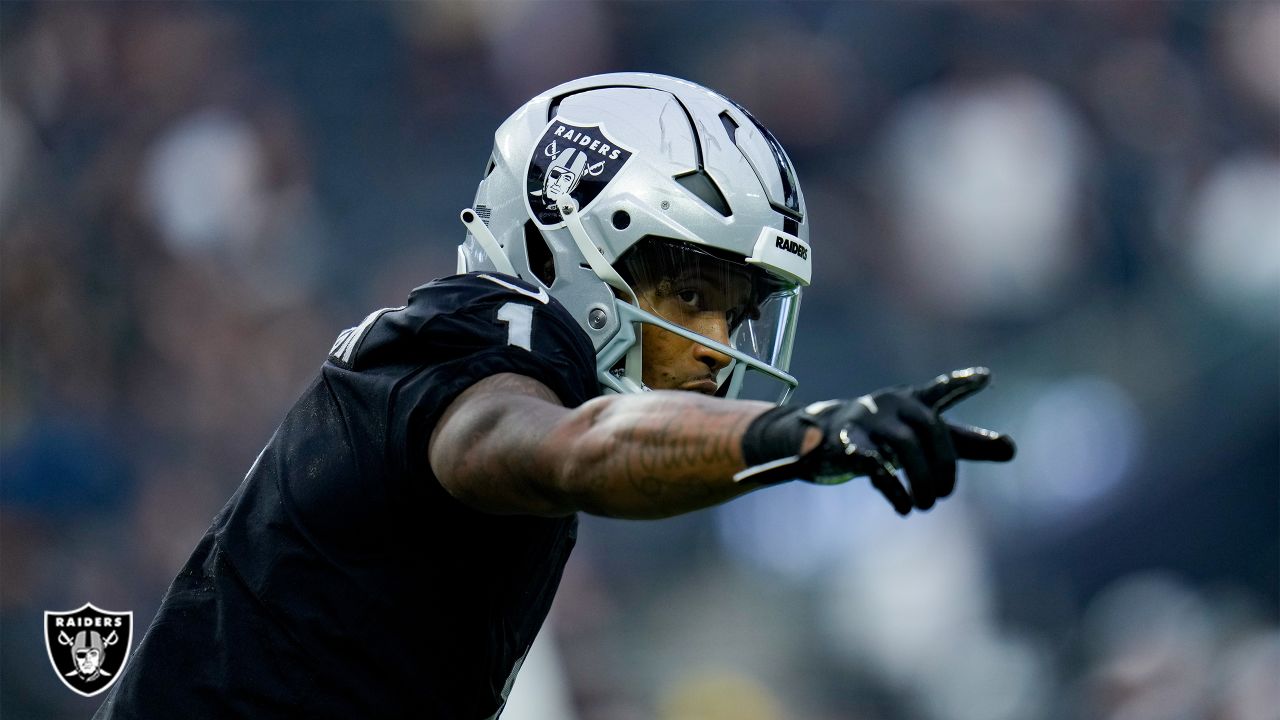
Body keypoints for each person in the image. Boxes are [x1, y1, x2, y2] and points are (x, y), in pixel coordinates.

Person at [94, 72, 1015, 719]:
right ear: (570, 247)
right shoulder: (469, 352)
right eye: (690, 296)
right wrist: (794, 437)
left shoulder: (473, 354)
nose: (717, 350)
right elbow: (575, 447)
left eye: (737, 314)